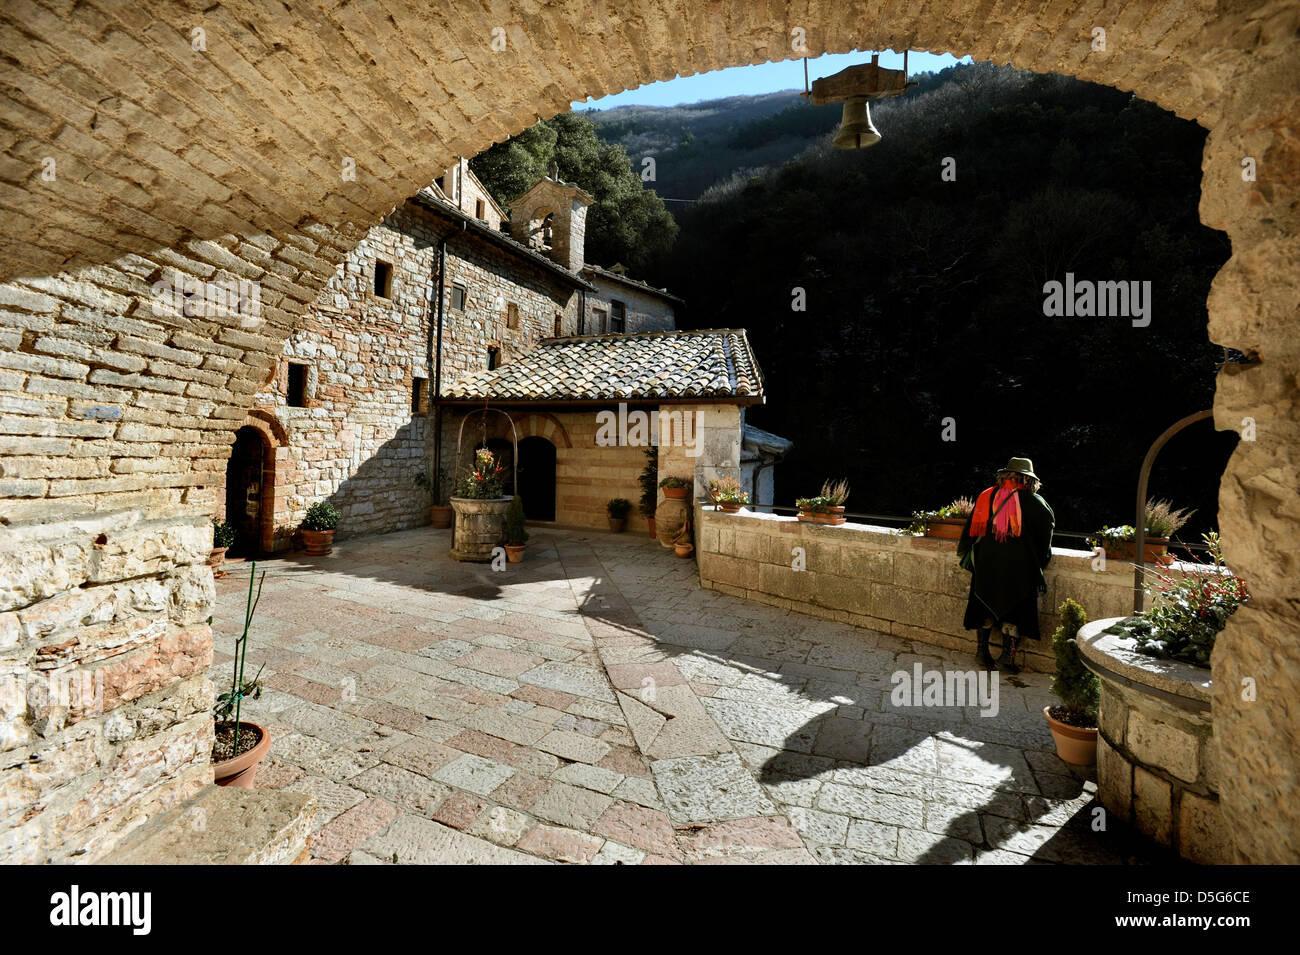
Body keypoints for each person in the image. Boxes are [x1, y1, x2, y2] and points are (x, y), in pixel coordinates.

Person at [957, 457, 1055, 673]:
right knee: (1016, 610)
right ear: (1029, 480)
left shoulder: (986, 496)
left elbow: (970, 534)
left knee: (984, 605)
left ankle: (982, 652)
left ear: (1005, 476)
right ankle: (1007, 658)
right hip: (1020, 568)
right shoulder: (1035, 502)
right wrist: (1040, 561)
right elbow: (1045, 538)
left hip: (986, 565)